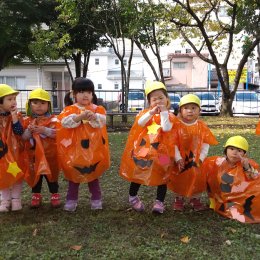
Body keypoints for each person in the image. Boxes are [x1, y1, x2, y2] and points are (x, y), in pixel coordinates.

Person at [120, 81, 176, 214]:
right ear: (149, 101)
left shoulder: (169, 116)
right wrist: (151, 113)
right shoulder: (145, 113)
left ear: (167, 99)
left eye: (161, 98)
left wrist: (163, 113)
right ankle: (132, 196)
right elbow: (140, 123)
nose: (158, 101)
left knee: (163, 173)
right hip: (144, 151)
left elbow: (166, 127)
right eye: (154, 99)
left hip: (163, 152)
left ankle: (159, 202)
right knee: (139, 172)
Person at [57, 77, 110, 212]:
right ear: (74, 94)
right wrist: (79, 117)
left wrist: (94, 116)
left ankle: (96, 199)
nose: (85, 95)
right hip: (74, 151)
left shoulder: (98, 109)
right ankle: (71, 199)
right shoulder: (69, 110)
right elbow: (64, 123)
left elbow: (102, 121)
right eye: (81, 91)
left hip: (93, 151)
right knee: (74, 176)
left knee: (93, 176)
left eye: (88, 91)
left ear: (92, 94)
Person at [167, 94, 218, 211]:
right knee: (178, 178)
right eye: (186, 108)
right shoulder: (176, 126)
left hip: (197, 159)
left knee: (197, 178)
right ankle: (178, 198)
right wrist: (177, 158)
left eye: (193, 108)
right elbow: (172, 143)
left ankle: (195, 198)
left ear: (199, 110)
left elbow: (206, 143)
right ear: (180, 110)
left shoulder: (202, 126)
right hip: (179, 159)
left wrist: (201, 157)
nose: (190, 111)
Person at [203, 136, 260, 223]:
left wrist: (247, 167)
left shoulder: (247, 164)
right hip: (224, 195)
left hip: (242, 194)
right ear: (226, 150)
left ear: (244, 154)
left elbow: (255, 177)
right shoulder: (217, 163)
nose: (235, 152)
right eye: (231, 149)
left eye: (239, 150)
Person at [22, 88, 60, 208]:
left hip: (50, 155)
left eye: (43, 103)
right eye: (35, 103)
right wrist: (29, 130)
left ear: (49, 105)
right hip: (34, 157)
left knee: (52, 175)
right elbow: (23, 138)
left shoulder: (54, 119)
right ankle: (36, 195)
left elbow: (58, 134)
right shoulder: (27, 121)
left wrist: (45, 130)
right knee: (35, 176)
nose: (39, 106)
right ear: (30, 105)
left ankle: (54, 194)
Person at [0, 84, 25, 212]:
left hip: (16, 151)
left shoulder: (16, 115)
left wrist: (14, 117)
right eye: (9, 99)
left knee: (17, 175)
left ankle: (16, 199)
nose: (13, 102)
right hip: (2, 153)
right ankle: (5, 200)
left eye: (14, 98)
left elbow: (19, 132)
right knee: (2, 174)